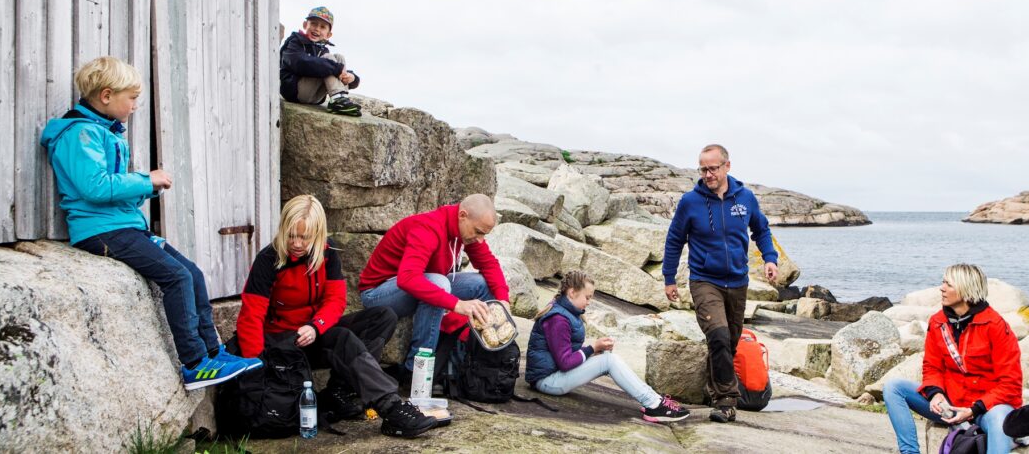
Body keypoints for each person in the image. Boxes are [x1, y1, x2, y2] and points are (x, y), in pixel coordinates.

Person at [40, 56, 262, 390]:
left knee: (193, 273)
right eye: (130, 98)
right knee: (175, 277)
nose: (134, 106)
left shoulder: (104, 133)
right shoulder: (80, 135)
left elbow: (111, 189)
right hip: (101, 231)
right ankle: (194, 363)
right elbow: (95, 187)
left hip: (122, 226)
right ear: (105, 96)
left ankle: (213, 354)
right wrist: (146, 179)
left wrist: (149, 189)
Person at [234, 195, 436, 438]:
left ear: (318, 235)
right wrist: (255, 366)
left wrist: (315, 327)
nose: (296, 243)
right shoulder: (269, 260)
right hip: (282, 343)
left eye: (304, 237)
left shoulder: (327, 253)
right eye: (291, 235)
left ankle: (340, 392)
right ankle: (390, 406)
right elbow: (250, 317)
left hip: (312, 333)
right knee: (342, 338)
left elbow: (335, 300)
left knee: (383, 316)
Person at [661, 143, 779, 423]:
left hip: (738, 281)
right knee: (718, 335)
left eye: (713, 168)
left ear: (727, 166)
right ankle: (726, 401)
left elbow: (761, 230)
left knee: (730, 342)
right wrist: (669, 278)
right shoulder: (691, 202)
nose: (708, 174)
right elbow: (674, 239)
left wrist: (770, 259)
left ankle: (712, 387)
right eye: (703, 169)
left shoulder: (745, 198)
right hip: (704, 279)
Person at [357, 194, 510, 371]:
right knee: (439, 284)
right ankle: (416, 369)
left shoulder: (466, 231)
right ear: (463, 215)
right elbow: (408, 278)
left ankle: (475, 359)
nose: (480, 239)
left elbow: (489, 264)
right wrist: (457, 304)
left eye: (484, 234)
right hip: (378, 294)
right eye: (478, 232)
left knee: (482, 284)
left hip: (418, 285)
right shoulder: (428, 227)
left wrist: (503, 300)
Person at [882, 264, 1023, 454]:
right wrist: (935, 393)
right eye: (943, 282)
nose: (942, 288)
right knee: (893, 388)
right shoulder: (937, 321)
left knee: (1000, 419)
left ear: (966, 289)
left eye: (948, 284)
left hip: (985, 410)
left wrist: (974, 409)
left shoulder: (996, 326)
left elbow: (1011, 384)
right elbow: (932, 367)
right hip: (950, 405)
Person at [525, 271, 690, 423]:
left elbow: (566, 355)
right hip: (547, 381)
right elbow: (565, 362)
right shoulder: (558, 319)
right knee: (608, 361)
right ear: (572, 293)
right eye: (587, 297)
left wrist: (595, 351)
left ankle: (653, 400)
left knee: (607, 359)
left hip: (555, 376)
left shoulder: (565, 311)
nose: (589, 302)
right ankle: (654, 405)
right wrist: (592, 348)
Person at [279, 6, 362, 116]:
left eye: (323, 27)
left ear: (328, 35)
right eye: (313, 24)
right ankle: (338, 100)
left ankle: (342, 99)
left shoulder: (323, 50)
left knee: (338, 57)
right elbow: (301, 62)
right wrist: (336, 68)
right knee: (329, 61)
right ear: (305, 25)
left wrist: (353, 78)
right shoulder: (295, 42)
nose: (317, 29)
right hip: (295, 92)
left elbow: (334, 67)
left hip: (315, 96)